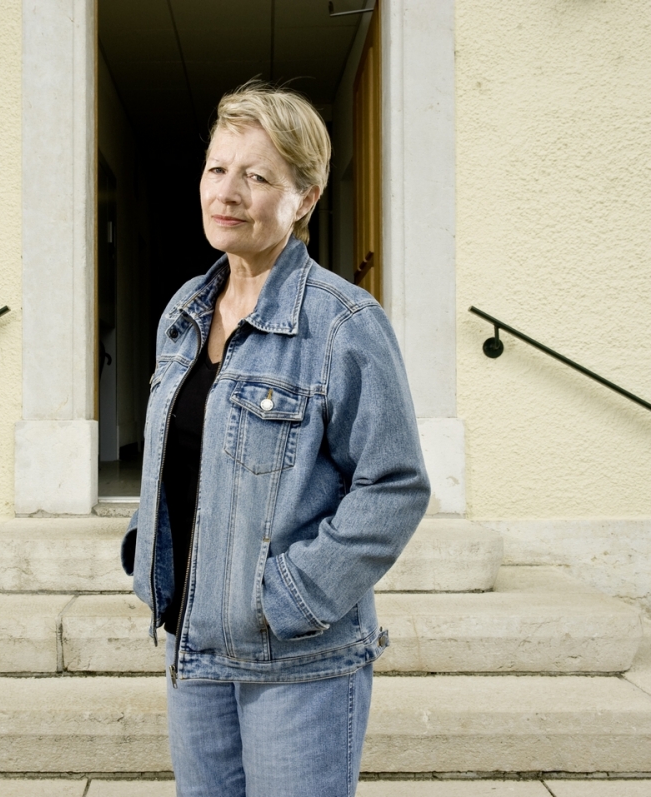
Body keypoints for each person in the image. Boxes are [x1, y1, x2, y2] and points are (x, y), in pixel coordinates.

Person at [120, 81, 430, 797]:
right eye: (217, 168)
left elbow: (395, 482)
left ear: (306, 199)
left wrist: (288, 596)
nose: (227, 192)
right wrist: (149, 542)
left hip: (297, 659)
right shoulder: (185, 312)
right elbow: (184, 453)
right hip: (192, 649)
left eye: (257, 176)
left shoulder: (345, 322)